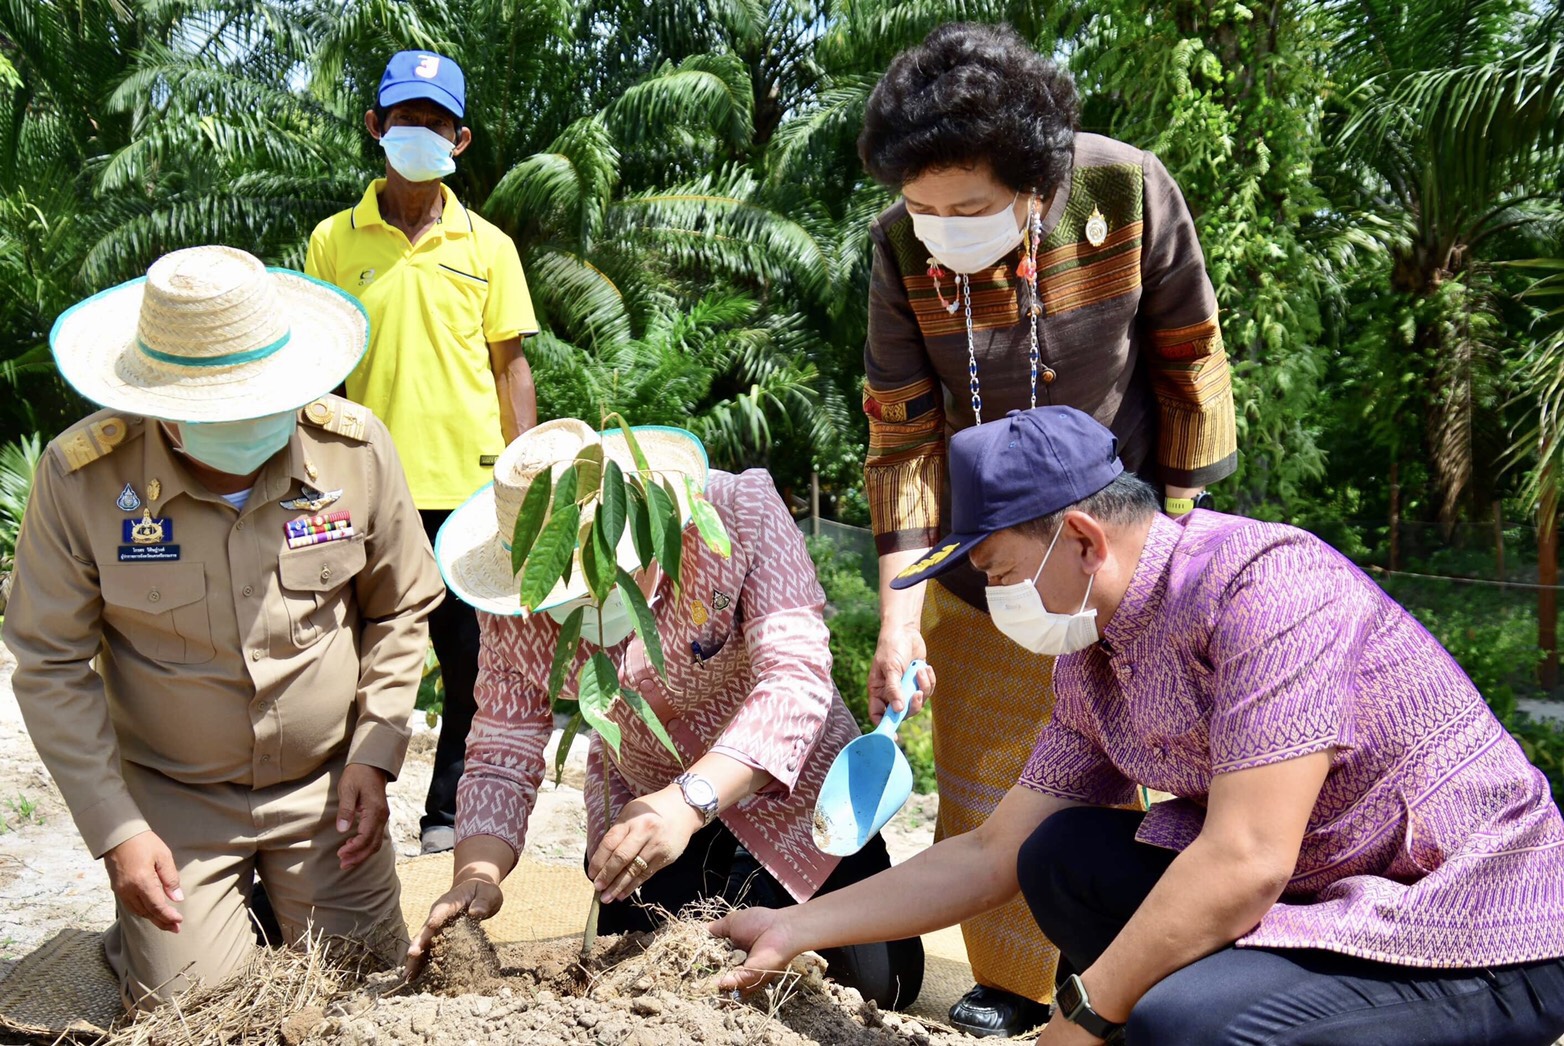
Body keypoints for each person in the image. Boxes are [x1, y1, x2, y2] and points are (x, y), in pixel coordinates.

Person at [711, 405, 1564, 1045]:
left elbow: (1245, 861)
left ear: (1081, 539)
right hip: (1316, 897)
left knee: (1188, 1026)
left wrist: (1080, 1017)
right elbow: (990, 852)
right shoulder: (1095, 653)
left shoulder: (1268, 592)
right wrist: (797, 926)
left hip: (1466, 923)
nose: (996, 601)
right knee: (1061, 857)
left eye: (999, 572)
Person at [855, 22, 1239, 1035]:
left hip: (1114, 540)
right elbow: (899, 433)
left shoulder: (1129, 191)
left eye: (969, 209)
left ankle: (1125, 970)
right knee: (983, 762)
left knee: (1130, 758)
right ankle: (1005, 980)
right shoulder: (900, 247)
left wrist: (1179, 549)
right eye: (922, 207)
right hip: (978, 552)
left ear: (1035, 181)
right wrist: (898, 612)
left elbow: (1189, 366)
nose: (941, 228)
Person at [3, 245, 445, 1008]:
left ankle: (276, 902)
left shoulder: (355, 449)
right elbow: (48, 661)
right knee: (197, 1006)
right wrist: (118, 831)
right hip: (176, 802)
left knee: (364, 989)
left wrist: (375, 751)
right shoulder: (82, 479)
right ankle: (167, 935)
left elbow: (401, 605)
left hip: (328, 790)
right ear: (159, 401)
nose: (243, 423)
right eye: (218, 408)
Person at [406, 419, 926, 1009]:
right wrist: (477, 875)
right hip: (646, 801)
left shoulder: (737, 515)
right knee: (649, 981)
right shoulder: (511, 607)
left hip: (795, 794)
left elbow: (796, 679)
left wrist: (688, 803)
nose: (587, 607)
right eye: (564, 596)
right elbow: (503, 749)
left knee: (881, 985)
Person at [305, 50, 540, 855]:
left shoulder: (489, 247)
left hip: (469, 491)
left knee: (473, 664)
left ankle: (447, 816)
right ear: (376, 126)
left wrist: (527, 483)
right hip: (357, 485)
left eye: (436, 122)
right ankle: (342, 806)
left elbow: (511, 367)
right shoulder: (333, 242)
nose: (419, 134)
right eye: (404, 118)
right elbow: (316, 364)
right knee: (341, 655)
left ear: (461, 140)